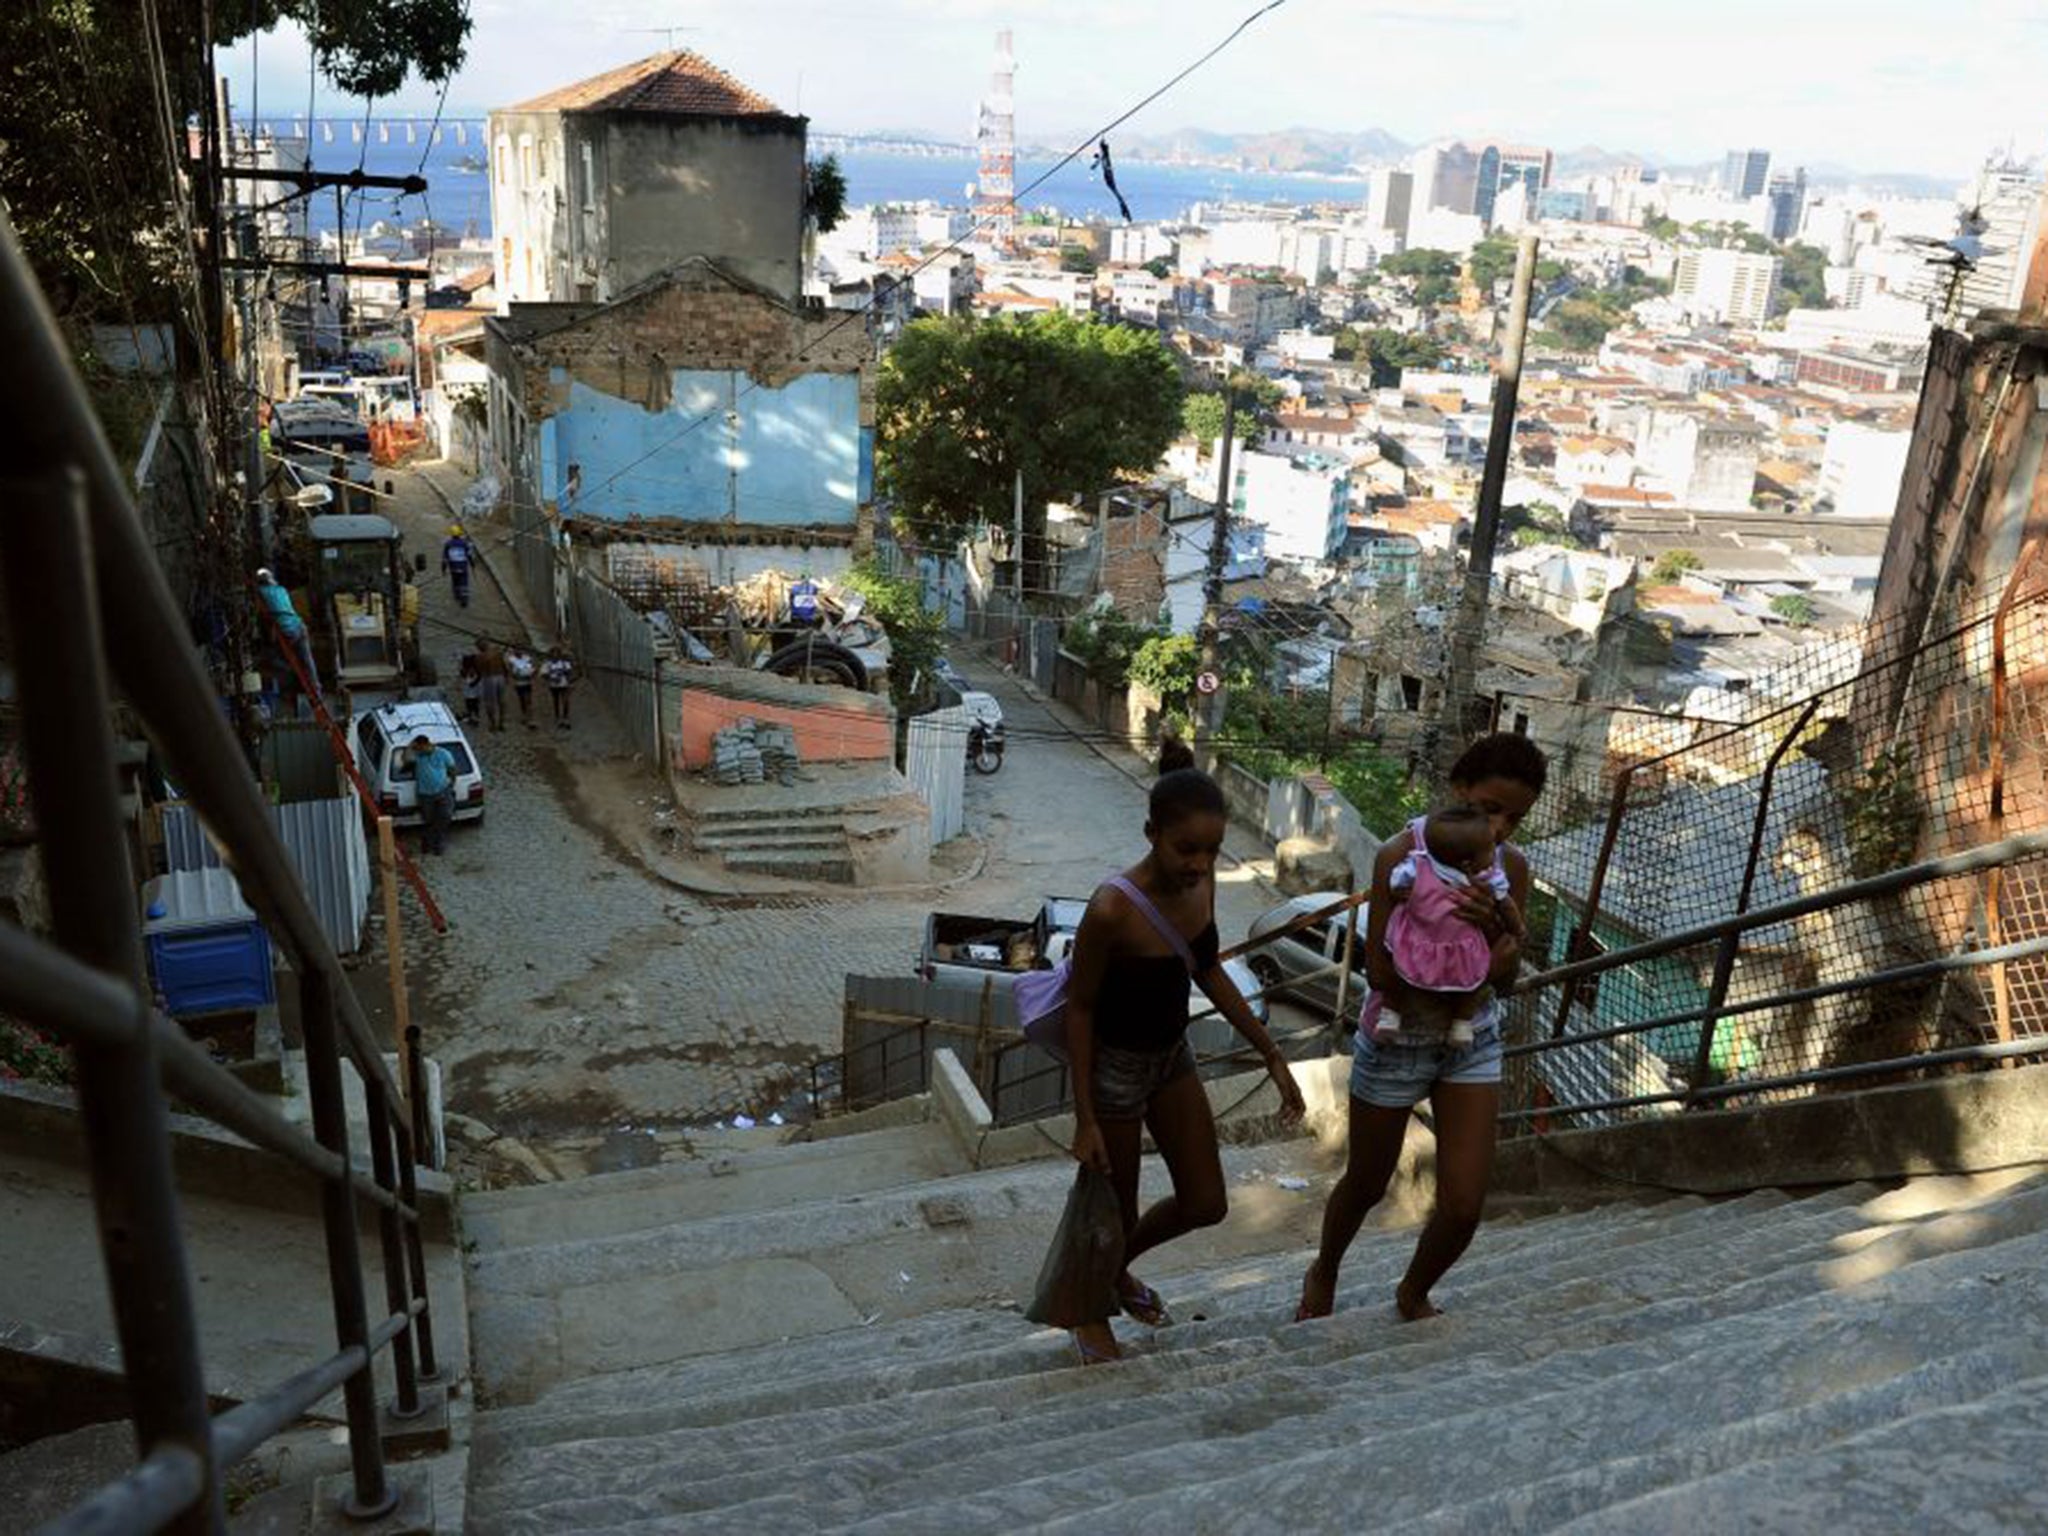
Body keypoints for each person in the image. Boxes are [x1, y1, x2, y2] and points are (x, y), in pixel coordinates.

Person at [1058, 754, 1307, 1366]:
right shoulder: (1111, 908)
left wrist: (1271, 1052)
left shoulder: (1202, 890)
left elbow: (1209, 968)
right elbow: (1081, 1009)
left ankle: (1112, 1273)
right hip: (1113, 1071)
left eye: (1212, 850)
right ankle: (1089, 1310)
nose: (1199, 864)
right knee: (1113, 1208)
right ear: (1152, 835)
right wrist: (1084, 1117)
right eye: (1185, 848)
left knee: (1205, 1202)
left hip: (1172, 1059)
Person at [1297, 732, 1548, 1327]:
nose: (1503, 828)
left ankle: (1413, 1290)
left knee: (1464, 1204)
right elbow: (1380, 970)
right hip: (1396, 1040)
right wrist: (1478, 960)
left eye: (1517, 817)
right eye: (1491, 809)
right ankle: (1325, 1267)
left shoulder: (1510, 869)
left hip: (1472, 1040)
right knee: (1366, 1180)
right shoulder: (1399, 857)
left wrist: (1493, 948)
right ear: (1458, 790)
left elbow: (1508, 978)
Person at [1361, 805, 1524, 1047]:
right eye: (1490, 850)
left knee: (1400, 964)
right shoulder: (1489, 877)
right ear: (1469, 863)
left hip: (1420, 945)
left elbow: (1397, 882)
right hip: (1460, 949)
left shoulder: (1418, 865)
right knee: (1471, 981)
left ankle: (1390, 1015)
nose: (1496, 847)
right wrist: (1518, 928)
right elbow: (1508, 906)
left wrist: (1403, 892)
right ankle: (1461, 1023)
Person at [254, 568, 319, 700]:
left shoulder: (260, 592)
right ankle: (316, 689)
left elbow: (261, 613)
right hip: (299, 625)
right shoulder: (282, 590)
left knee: (271, 659)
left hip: (286, 630)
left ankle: (291, 681)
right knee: (307, 660)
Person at [410, 733, 457, 856]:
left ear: (427, 744)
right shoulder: (417, 755)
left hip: (443, 790)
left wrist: (451, 785)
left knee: (445, 816)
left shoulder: (443, 753)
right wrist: (410, 746)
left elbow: (452, 770)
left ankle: (437, 843)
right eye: (418, 749)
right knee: (428, 819)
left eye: (421, 748)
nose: (420, 750)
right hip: (425, 794)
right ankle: (428, 841)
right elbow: (405, 759)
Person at [475, 637, 508, 732]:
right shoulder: (497, 653)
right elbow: (504, 665)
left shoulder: (480, 657)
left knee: (492, 702)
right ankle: (500, 722)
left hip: (489, 677)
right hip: (498, 676)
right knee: (500, 701)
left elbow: (479, 670)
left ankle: (495, 723)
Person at [442, 525, 476, 608]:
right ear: (460, 534)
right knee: (464, 583)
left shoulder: (448, 544)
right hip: (463, 568)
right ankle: (464, 600)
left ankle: (457, 595)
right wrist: (472, 565)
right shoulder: (464, 544)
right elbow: (469, 555)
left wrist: (443, 569)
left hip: (453, 568)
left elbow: (444, 559)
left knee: (455, 581)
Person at [506, 643, 538, 730]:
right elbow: (510, 671)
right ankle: (524, 714)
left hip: (527, 682)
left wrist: (532, 673)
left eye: (520, 649)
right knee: (522, 700)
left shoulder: (527, 658)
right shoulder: (512, 660)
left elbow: (533, 667)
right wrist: (515, 675)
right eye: (517, 649)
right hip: (519, 682)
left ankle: (529, 717)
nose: (519, 651)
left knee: (528, 699)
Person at [543, 646, 575, 730]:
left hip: (564, 684)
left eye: (557, 654)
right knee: (556, 700)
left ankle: (565, 717)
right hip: (553, 685)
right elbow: (543, 674)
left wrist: (570, 682)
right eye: (553, 654)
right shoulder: (547, 664)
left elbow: (569, 673)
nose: (555, 656)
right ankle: (557, 717)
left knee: (565, 700)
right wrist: (551, 678)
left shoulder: (564, 663)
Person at [457, 648, 483, 726]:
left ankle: (474, 717)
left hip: (472, 689)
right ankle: (473, 717)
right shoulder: (466, 670)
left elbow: (478, 677)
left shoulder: (474, 669)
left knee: (473, 704)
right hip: (470, 689)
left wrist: (474, 683)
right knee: (471, 704)